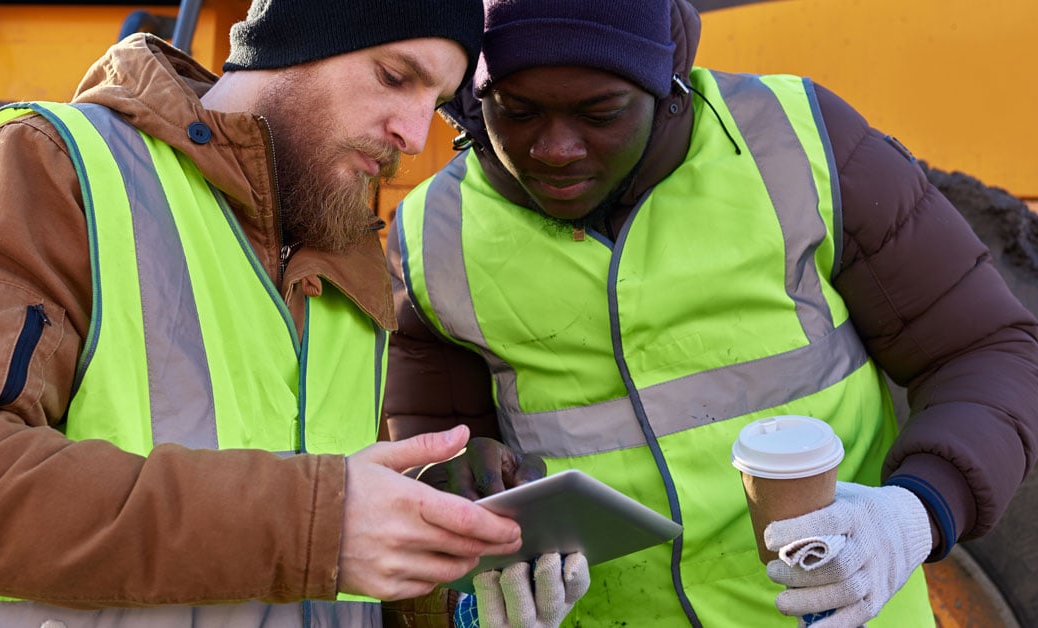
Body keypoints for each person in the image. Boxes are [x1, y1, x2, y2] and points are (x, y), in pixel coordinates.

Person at [0, 1, 530, 626]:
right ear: (295, 43)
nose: (413, 136)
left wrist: (448, 568)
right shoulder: (57, 165)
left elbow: (320, 562)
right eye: (393, 76)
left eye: (436, 103)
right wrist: (315, 524)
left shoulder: (347, 257)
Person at [385, 0, 1038, 626]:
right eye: (517, 111)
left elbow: (990, 350)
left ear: (665, 85)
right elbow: (438, 457)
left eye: (600, 111)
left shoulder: (801, 143)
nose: (556, 148)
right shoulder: (432, 234)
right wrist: (462, 531)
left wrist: (915, 512)